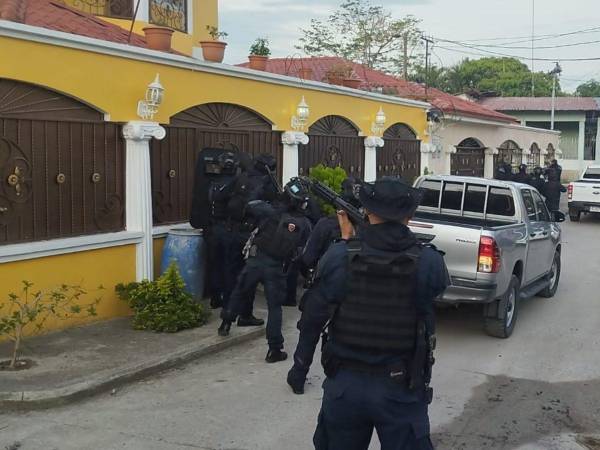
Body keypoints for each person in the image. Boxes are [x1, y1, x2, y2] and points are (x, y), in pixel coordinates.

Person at [311, 178, 449, 450]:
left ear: (367, 211)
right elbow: (433, 292)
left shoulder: (339, 256)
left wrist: (347, 241)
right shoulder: (429, 261)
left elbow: (325, 298)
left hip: (345, 387)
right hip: (400, 387)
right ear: (409, 215)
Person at [218, 178, 312, 363]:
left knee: (240, 291)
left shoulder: (270, 210)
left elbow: (250, 205)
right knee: (275, 308)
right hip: (275, 267)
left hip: (255, 260)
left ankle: (225, 324)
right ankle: (274, 350)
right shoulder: (304, 224)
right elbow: (303, 251)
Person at [287, 177, 363, 393]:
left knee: (308, 332)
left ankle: (298, 376)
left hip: (323, 289)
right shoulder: (368, 231)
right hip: (354, 294)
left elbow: (307, 258)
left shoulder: (324, 225)